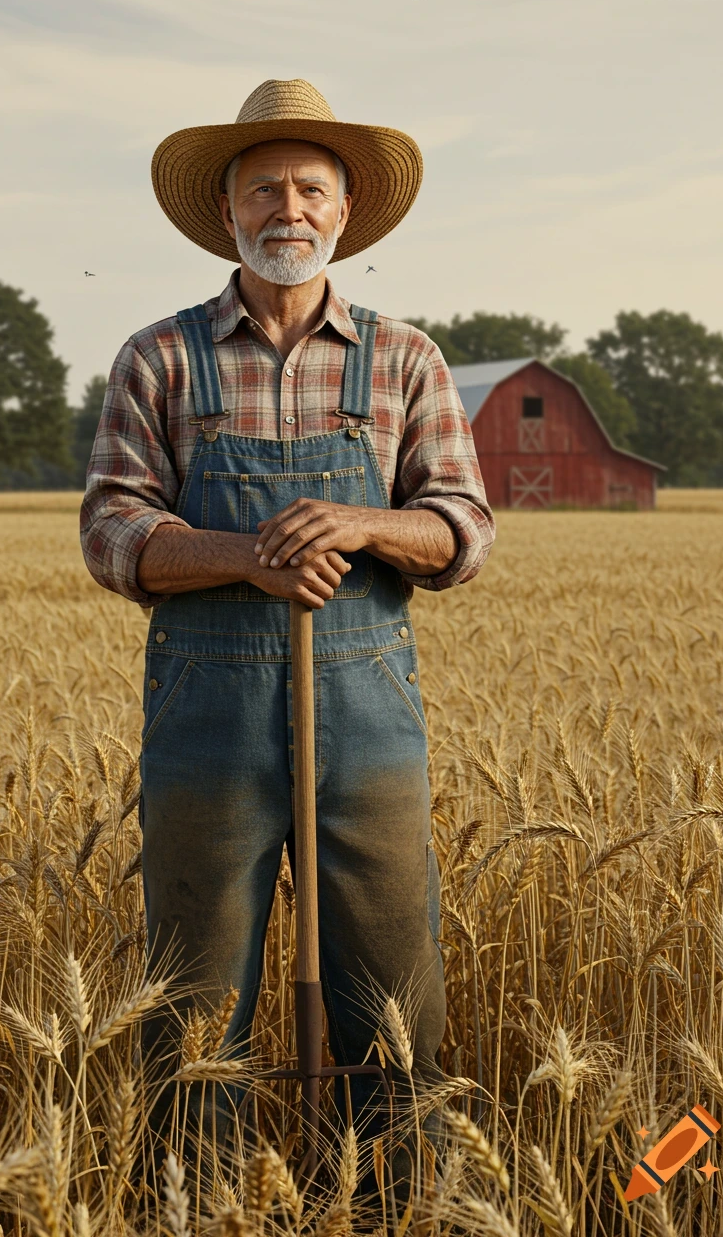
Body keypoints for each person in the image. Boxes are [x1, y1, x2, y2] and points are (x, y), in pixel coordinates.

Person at [80, 78, 495, 1196]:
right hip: (205, 719)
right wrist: (245, 551)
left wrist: (360, 521)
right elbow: (113, 532)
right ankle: (194, 1204)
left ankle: (393, 1204)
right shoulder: (158, 359)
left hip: (366, 719)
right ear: (225, 212)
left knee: (391, 993)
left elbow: (460, 529)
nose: (288, 206)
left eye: (310, 186)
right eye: (261, 185)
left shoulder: (403, 359)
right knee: (192, 994)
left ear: (344, 211)